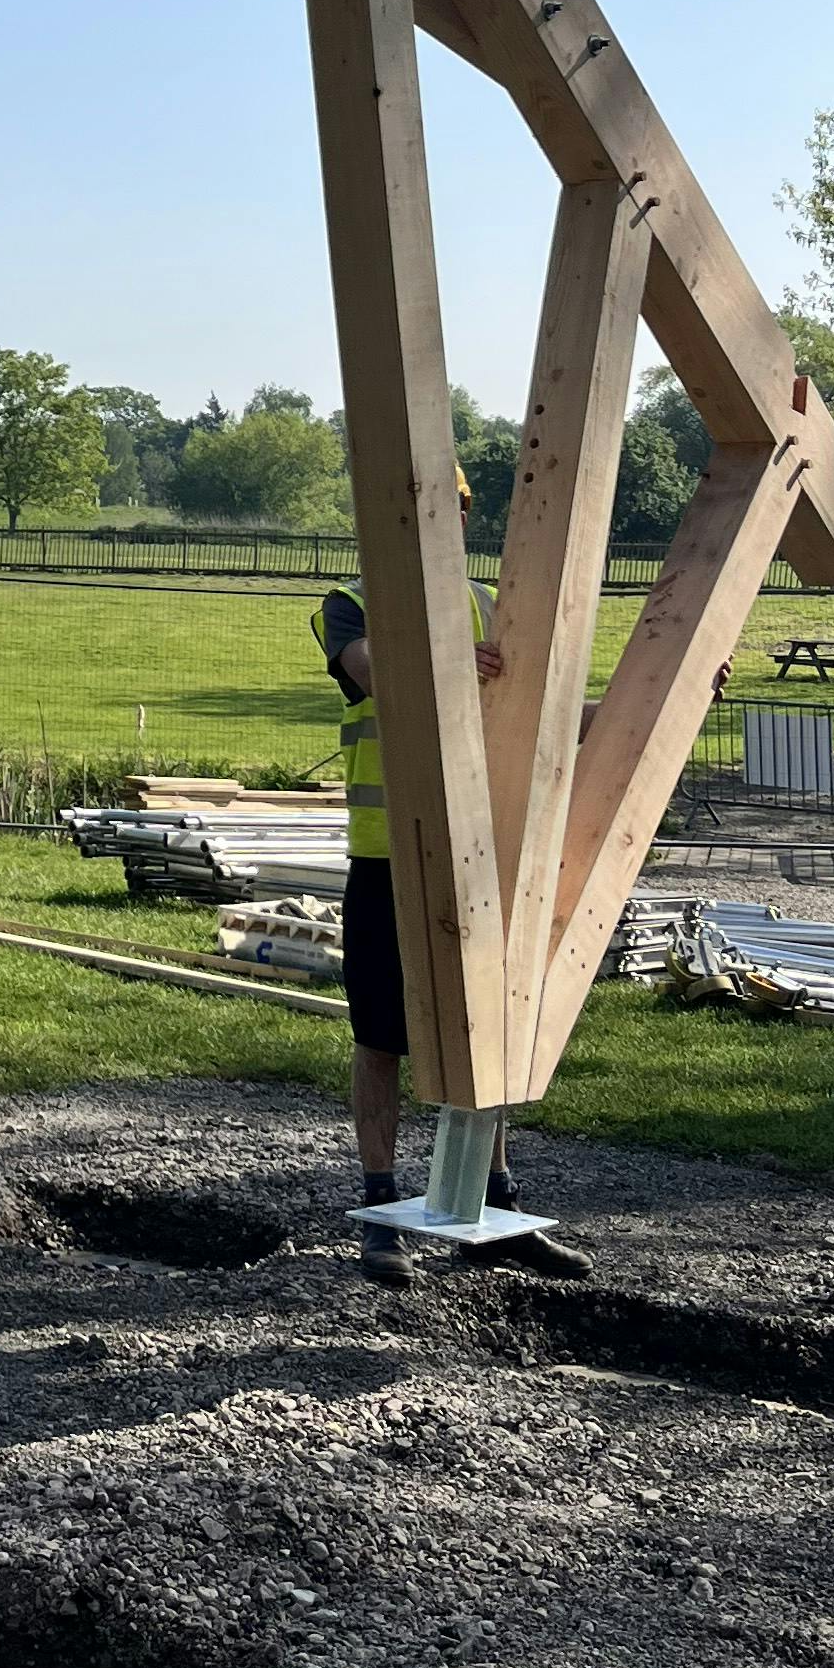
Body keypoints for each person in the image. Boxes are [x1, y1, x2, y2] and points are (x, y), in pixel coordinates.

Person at [322, 529, 590, 1291]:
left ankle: (491, 1208)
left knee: (490, 1030)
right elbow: (372, 674)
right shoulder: (351, 604)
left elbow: (551, 712)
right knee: (380, 1036)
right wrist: (441, 665)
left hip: (477, 854)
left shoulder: (492, 609)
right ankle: (381, 1215)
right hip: (386, 857)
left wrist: (681, 688)